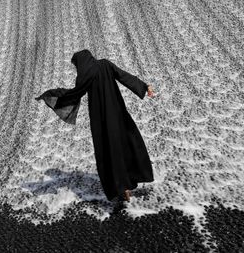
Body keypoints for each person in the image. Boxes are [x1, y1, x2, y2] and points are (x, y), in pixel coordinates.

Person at [35, 49, 155, 202]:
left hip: (100, 119)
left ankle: (121, 187)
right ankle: (133, 178)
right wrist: (145, 87)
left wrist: (50, 95)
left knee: (108, 150)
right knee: (127, 143)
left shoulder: (84, 76)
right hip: (117, 113)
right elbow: (123, 76)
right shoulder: (105, 64)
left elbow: (72, 94)